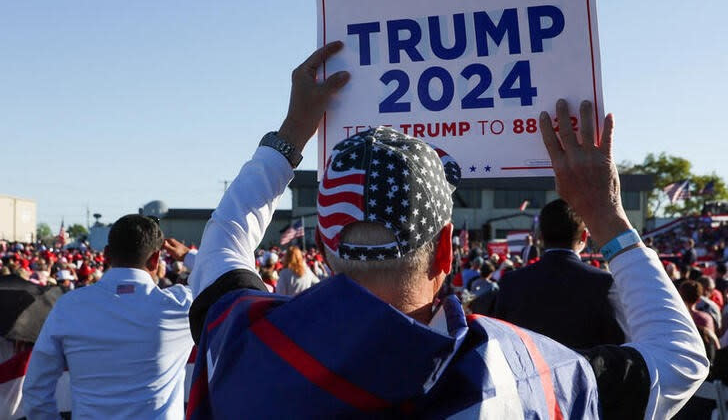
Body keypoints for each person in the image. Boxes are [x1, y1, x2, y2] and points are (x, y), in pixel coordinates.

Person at [184, 42, 707, 419]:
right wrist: (608, 216)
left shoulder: (244, 340)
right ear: (444, 250)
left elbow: (223, 241)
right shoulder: (522, 371)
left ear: (323, 246)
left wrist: (292, 132)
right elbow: (680, 361)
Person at [23, 216, 197, 419]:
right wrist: (188, 256)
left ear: (106, 254)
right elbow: (229, 278)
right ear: (155, 259)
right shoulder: (181, 306)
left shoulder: (69, 307)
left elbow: (36, 390)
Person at [494, 199, 627, 348]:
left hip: (527, 369)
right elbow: (619, 345)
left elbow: (500, 342)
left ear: (540, 236)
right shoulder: (603, 283)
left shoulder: (511, 282)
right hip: (584, 369)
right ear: (584, 237)